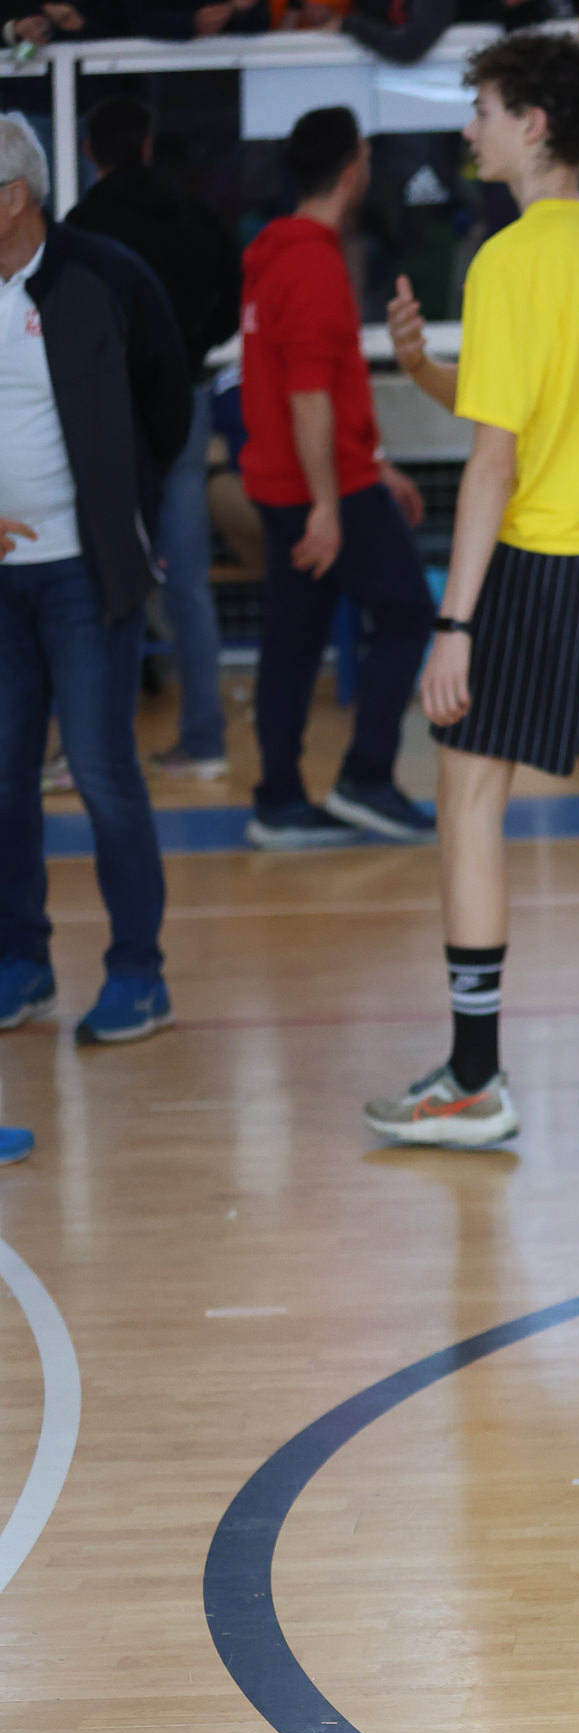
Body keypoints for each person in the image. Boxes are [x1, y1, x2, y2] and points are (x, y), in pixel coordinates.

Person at [362, 32, 579, 1155]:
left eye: (485, 109)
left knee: (467, 798)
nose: (470, 129)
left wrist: (455, 620)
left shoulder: (506, 260)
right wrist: (423, 370)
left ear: (534, 124)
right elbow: (539, 405)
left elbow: (498, 461)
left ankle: (474, 1076)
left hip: (541, 559)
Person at [0, 111, 185, 1048]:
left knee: (104, 771)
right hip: (1, 585)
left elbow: (166, 400)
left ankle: (138, 974)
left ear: (14, 198)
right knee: (3, 776)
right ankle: (21, 963)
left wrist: (123, 511)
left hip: (85, 572)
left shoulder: (107, 276)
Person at [237, 106, 439, 851]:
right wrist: (329, 503)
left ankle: (279, 799)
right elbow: (308, 397)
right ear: (353, 169)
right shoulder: (314, 264)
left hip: (290, 479)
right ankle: (367, 777)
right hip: (324, 489)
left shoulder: (272, 253)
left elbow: (310, 386)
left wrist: (375, 460)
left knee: (292, 640)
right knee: (408, 612)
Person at [67, 93, 236, 784]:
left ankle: (88, 751)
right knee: (188, 585)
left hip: (104, 418)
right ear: (146, 145)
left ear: (90, 152)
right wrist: (186, 352)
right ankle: (205, 739)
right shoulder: (194, 217)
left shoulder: (79, 230)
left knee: (95, 582)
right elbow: (230, 304)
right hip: (185, 406)